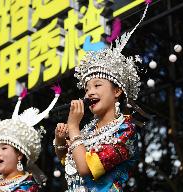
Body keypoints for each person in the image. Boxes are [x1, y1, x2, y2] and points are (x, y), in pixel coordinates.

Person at [54, 1, 151, 191]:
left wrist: (73, 127)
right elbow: (70, 161)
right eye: (87, 88)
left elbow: (86, 169)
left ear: (117, 91)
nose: (89, 92)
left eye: (98, 85)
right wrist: (60, 140)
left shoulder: (125, 129)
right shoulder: (88, 130)